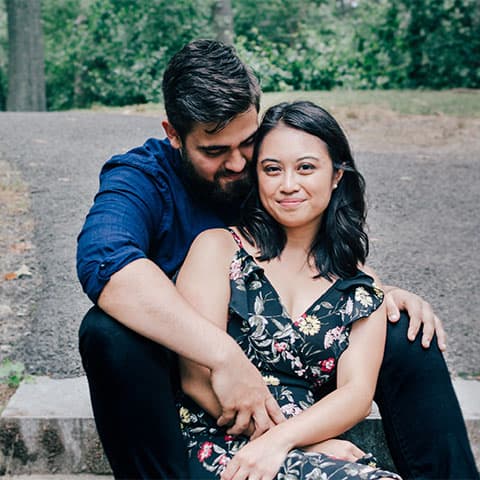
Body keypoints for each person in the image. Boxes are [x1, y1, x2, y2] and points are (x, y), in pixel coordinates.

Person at [76, 39, 478, 479]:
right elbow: (106, 262)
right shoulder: (144, 180)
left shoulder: (268, 167)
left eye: (248, 144)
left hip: (293, 364)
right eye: (214, 151)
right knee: (108, 332)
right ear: (174, 134)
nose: (237, 164)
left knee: (404, 328)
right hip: (191, 372)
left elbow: (313, 237)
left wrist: (375, 294)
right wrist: (224, 357)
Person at [176, 100, 401, 480]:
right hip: (218, 440)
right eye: (272, 169)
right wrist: (287, 442)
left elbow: (357, 395)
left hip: (301, 443)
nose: (288, 185)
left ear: (336, 176)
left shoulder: (361, 286)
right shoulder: (217, 249)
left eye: (306, 168)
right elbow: (195, 378)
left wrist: (286, 442)